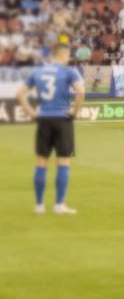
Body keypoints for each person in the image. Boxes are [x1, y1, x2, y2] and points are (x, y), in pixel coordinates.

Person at [15, 44, 85, 215]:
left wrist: (31, 112)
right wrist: (74, 112)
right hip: (62, 119)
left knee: (41, 162)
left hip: (44, 118)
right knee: (63, 162)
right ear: (63, 55)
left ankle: (39, 205)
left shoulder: (38, 72)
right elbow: (80, 92)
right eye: (68, 55)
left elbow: (20, 94)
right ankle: (59, 205)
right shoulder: (69, 71)